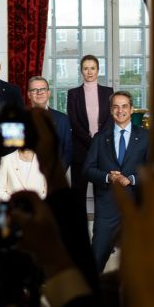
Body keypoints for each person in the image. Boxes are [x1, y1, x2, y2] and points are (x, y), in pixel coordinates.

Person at [83, 90, 147, 271]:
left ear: (131, 109)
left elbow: (153, 171)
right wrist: (107, 177)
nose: (120, 111)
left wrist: (132, 179)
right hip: (106, 210)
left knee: (137, 266)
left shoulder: (145, 137)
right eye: (116, 107)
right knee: (95, 261)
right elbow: (87, 170)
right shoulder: (100, 138)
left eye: (124, 106)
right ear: (111, 111)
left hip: (135, 209)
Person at [66, 54, 113, 202]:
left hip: (103, 150)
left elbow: (110, 119)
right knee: (78, 194)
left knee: (103, 193)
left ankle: (101, 225)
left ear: (98, 70)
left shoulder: (108, 92)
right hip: (80, 150)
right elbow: (73, 121)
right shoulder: (73, 93)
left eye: (92, 68)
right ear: (81, 71)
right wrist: (90, 141)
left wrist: (97, 141)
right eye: (86, 68)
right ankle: (78, 225)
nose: (89, 72)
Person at [25, 74, 73, 174]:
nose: (39, 93)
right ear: (29, 94)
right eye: (34, 90)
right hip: (25, 177)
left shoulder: (62, 119)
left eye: (43, 89)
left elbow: (67, 151)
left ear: (48, 93)